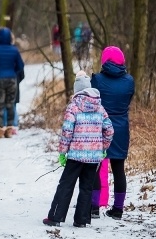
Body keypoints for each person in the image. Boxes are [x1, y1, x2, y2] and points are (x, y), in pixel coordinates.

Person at [43, 71, 114, 228]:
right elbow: (109, 130)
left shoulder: (73, 107)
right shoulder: (100, 108)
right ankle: (81, 220)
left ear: (77, 90)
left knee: (66, 185)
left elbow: (67, 132)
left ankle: (55, 217)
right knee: (86, 187)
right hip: (94, 157)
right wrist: (103, 148)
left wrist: (62, 152)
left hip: (75, 155)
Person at [91, 46, 135, 219]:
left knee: (95, 167)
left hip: (101, 126)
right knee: (119, 169)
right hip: (121, 128)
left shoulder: (97, 79)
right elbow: (128, 100)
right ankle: (118, 210)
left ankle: (93, 207)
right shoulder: (130, 81)